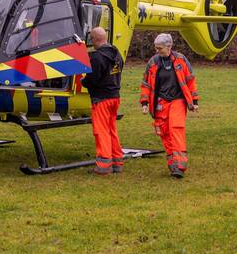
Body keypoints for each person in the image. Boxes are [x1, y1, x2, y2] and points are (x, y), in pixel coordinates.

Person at [139, 33, 199, 178]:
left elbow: (190, 80)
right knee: (164, 131)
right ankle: (172, 162)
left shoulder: (180, 60)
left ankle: (180, 165)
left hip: (177, 101)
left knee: (175, 128)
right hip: (160, 103)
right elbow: (146, 84)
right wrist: (145, 103)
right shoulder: (153, 62)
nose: (157, 51)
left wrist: (194, 100)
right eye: (156, 48)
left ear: (169, 46)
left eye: (160, 48)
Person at [82, 27, 125, 176]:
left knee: (101, 131)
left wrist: (83, 82)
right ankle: (117, 162)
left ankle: (103, 165)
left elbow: (92, 79)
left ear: (94, 39)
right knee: (111, 129)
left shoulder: (97, 57)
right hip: (114, 97)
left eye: (91, 39)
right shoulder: (116, 53)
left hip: (101, 99)